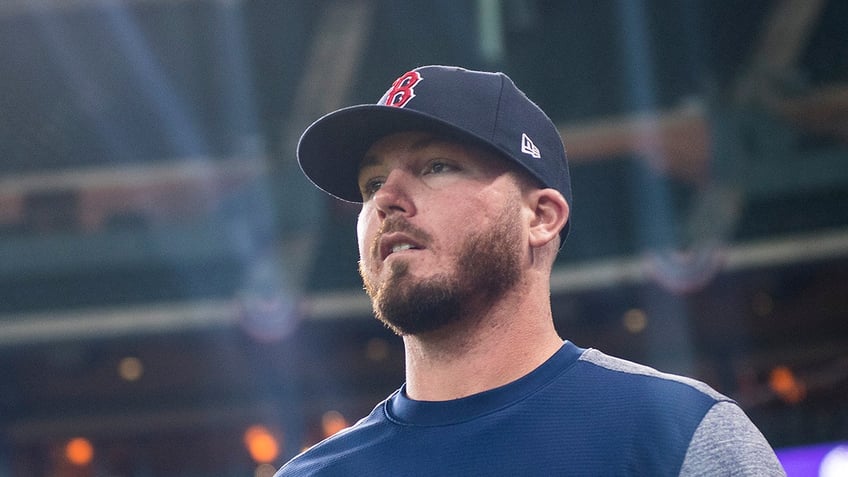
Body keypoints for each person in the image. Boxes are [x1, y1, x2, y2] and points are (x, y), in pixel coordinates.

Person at [277, 65, 785, 476]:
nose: (386, 199)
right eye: (371, 183)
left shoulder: (676, 435)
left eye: (436, 166)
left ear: (540, 217)